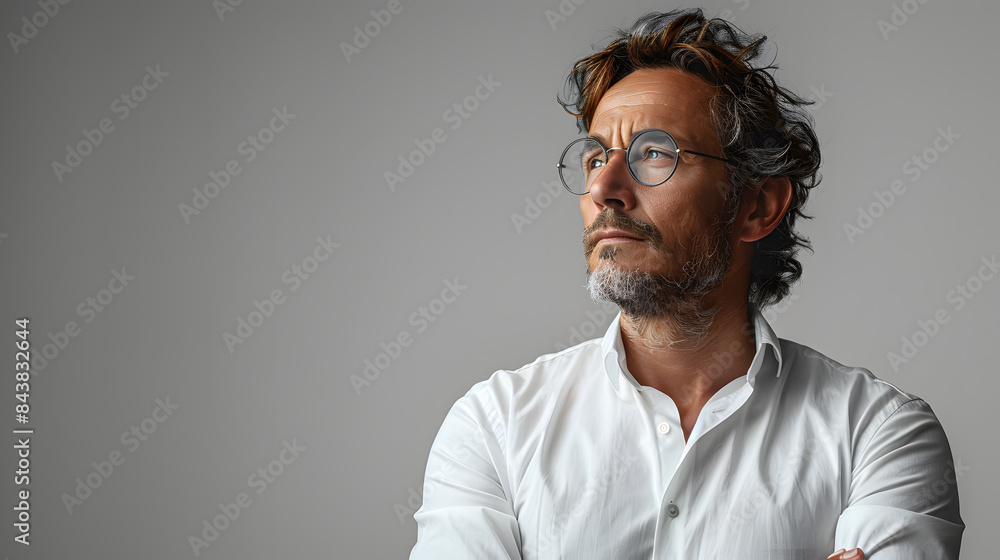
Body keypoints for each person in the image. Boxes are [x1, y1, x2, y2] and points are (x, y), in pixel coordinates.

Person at [409, 9, 964, 559]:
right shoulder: (495, 424)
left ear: (758, 206)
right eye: (596, 156)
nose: (604, 186)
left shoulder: (877, 433)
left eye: (654, 153)